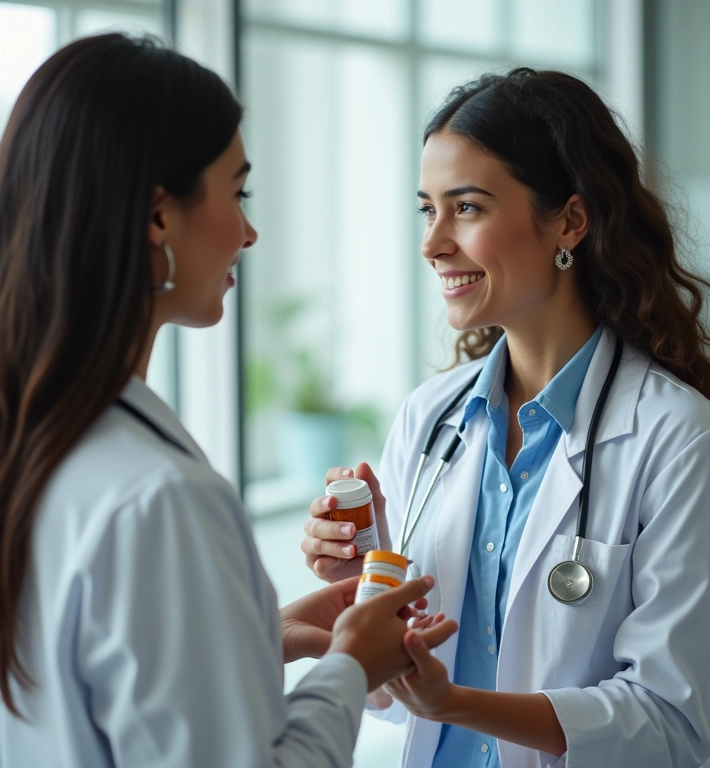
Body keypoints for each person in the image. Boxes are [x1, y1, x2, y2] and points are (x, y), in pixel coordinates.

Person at [0, 34, 457, 768]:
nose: (249, 231)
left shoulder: (38, 442)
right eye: (237, 192)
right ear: (158, 218)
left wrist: (251, 635)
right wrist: (350, 666)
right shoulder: (162, 497)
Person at [301, 67, 710, 768]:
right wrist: (365, 580)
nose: (433, 242)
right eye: (427, 210)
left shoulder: (679, 439)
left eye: (467, 207)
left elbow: (669, 725)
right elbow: (388, 696)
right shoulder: (429, 419)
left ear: (570, 220)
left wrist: (454, 702)